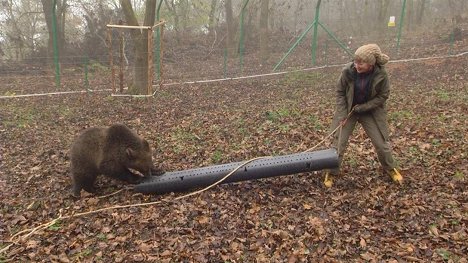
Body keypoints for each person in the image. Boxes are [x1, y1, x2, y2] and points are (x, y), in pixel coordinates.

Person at [323, 43, 402, 187]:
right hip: (349, 110)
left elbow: (383, 95)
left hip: (370, 111)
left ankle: (391, 169)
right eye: (355, 61)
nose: (357, 65)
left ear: (371, 64)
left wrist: (364, 107)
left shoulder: (381, 74)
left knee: (381, 143)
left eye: (361, 63)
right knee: (339, 143)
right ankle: (330, 171)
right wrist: (342, 115)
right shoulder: (348, 71)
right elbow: (340, 92)